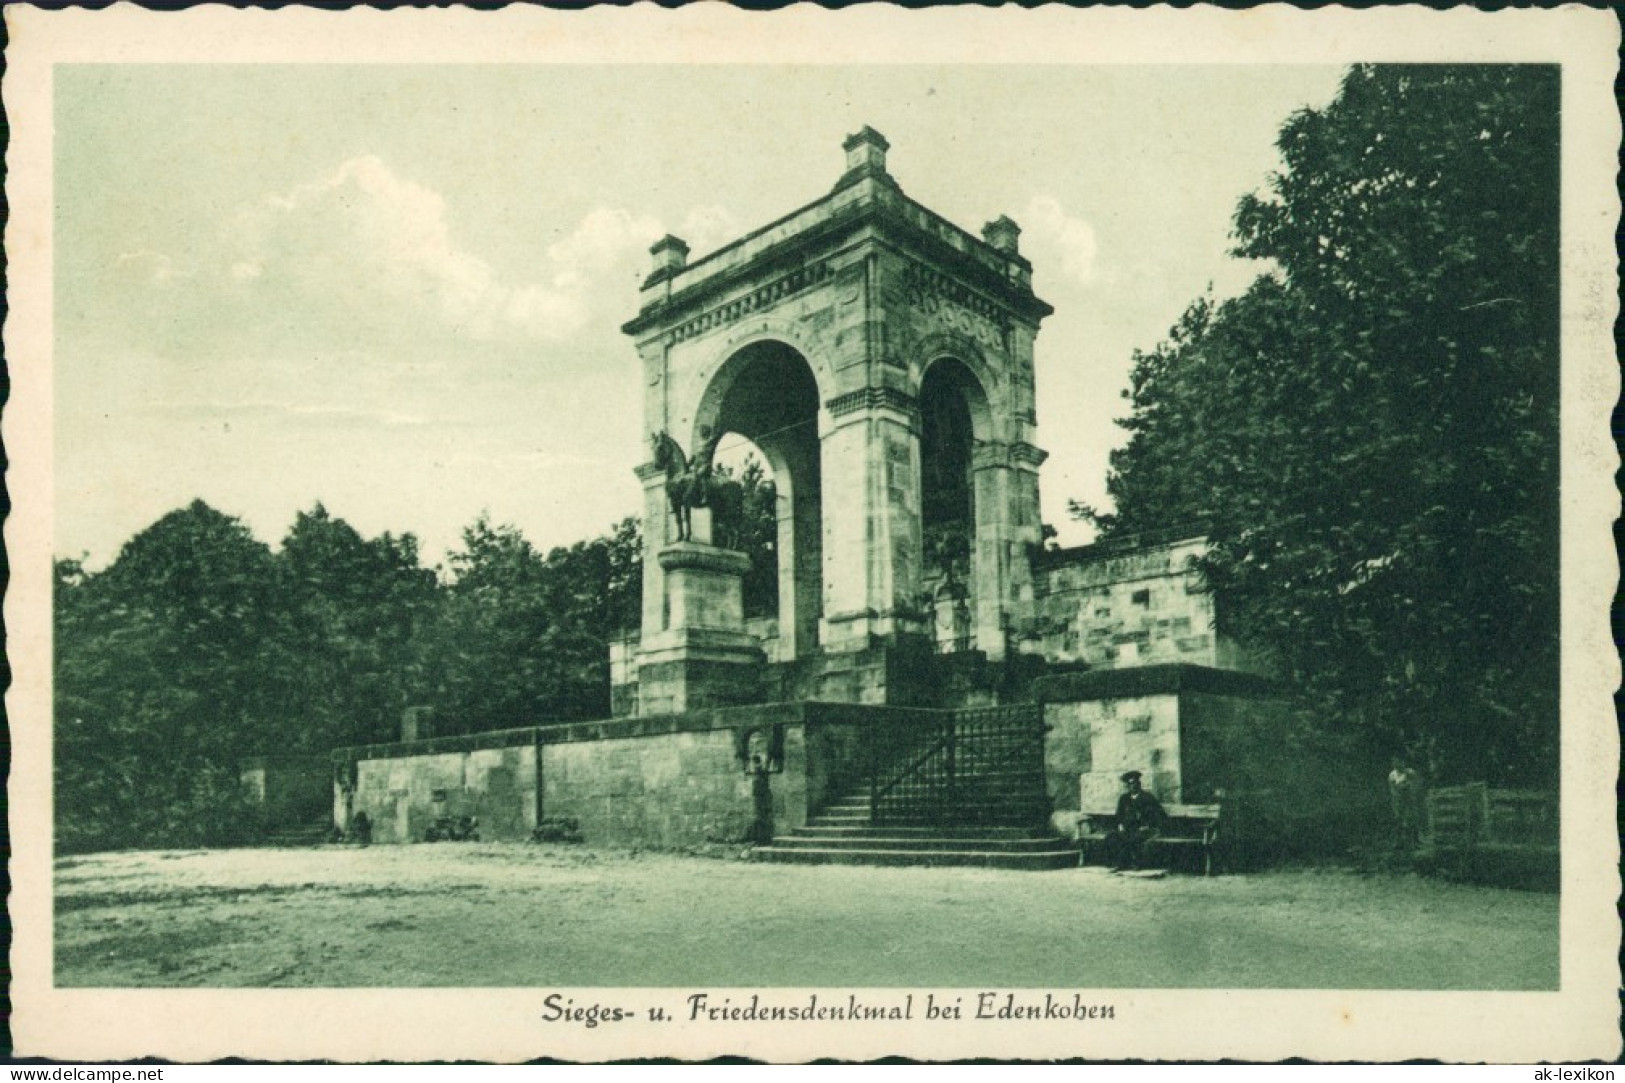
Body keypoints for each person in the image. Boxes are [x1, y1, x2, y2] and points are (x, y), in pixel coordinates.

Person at [1108, 769, 1167, 871]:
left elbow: (1159, 814)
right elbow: (1119, 815)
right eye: (1130, 784)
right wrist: (1120, 825)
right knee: (1112, 836)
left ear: (1139, 784)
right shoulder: (1124, 798)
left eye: (1135, 783)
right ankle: (1120, 863)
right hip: (1127, 828)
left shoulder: (1147, 797)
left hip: (1144, 828)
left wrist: (1148, 825)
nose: (1133, 786)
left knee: (1134, 838)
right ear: (1127, 786)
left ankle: (1135, 863)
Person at [1387, 757, 1424, 850]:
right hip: (1398, 801)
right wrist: (1397, 794)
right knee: (1398, 820)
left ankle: (1415, 842)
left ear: (1403, 762)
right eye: (1395, 762)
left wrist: (1409, 788)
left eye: (1399, 761)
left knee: (1412, 820)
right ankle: (1399, 842)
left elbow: (1416, 785)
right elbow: (1392, 789)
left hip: (1410, 799)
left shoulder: (1410, 772)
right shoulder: (1392, 775)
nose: (1397, 764)